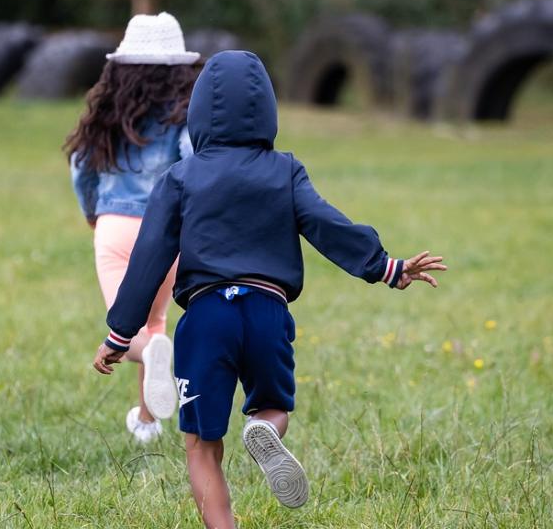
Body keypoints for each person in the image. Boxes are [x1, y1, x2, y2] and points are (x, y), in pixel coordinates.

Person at [90, 51, 447, 528]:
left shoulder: (181, 177)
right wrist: (384, 266)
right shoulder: (286, 170)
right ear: (267, 110)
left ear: (197, 113)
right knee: (274, 404)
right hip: (266, 311)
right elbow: (325, 223)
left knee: (201, 446)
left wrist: (120, 333)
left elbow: (149, 256)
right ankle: (263, 429)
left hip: (206, 317)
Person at [67, 12, 202, 443]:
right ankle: (147, 422)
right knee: (155, 322)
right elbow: (193, 159)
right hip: (167, 235)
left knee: (129, 332)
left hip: (115, 228)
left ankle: (150, 401)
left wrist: (93, 211)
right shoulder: (184, 114)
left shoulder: (108, 111)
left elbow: (81, 166)